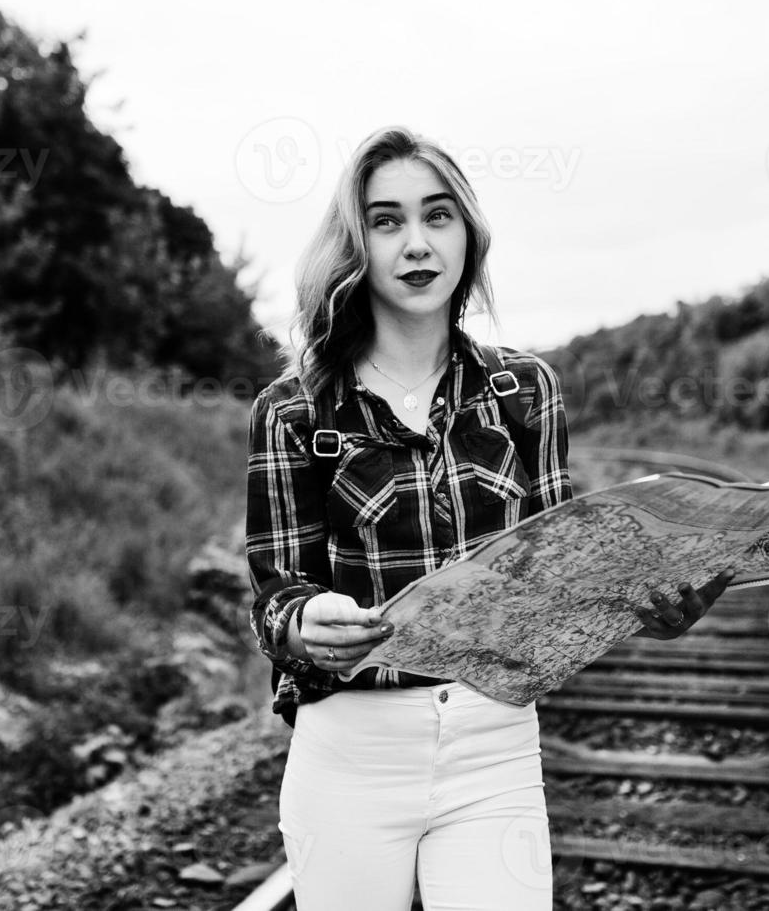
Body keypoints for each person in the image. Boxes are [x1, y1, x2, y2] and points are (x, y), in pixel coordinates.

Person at [244, 125, 733, 911]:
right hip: (351, 756)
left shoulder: (523, 390)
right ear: (355, 243)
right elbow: (274, 593)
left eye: (437, 216)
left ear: (468, 235)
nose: (416, 242)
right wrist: (304, 625)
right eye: (386, 220)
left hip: (492, 743)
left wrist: (642, 606)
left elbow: (556, 585)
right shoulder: (294, 409)